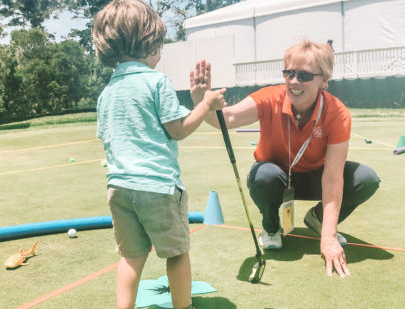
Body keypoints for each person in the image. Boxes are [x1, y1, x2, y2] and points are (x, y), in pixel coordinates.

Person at [192, 39, 380, 277]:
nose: (293, 81)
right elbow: (226, 119)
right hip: (275, 177)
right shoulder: (269, 97)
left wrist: (329, 236)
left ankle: (318, 220)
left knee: (366, 178)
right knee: (265, 176)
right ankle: (271, 228)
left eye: (303, 75)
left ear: (324, 81)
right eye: (289, 73)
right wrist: (201, 103)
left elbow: (332, 179)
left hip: (315, 179)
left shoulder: (338, 113)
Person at [92, 1, 226, 308]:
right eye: (159, 44)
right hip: (158, 188)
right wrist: (205, 104)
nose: (161, 51)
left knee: (131, 256)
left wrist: (195, 104)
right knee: (177, 253)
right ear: (148, 42)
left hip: (120, 188)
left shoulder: (107, 91)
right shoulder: (157, 81)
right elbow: (178, 129)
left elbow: (110, 136)